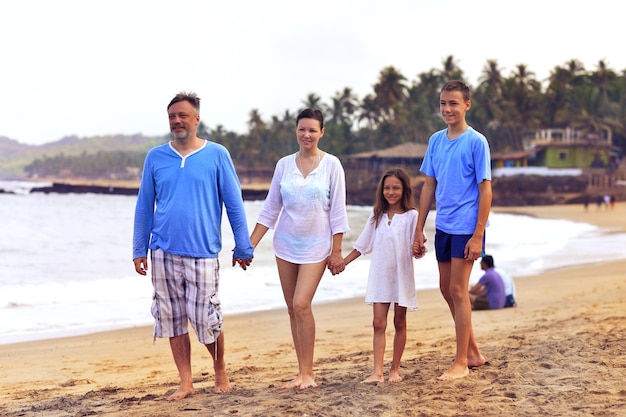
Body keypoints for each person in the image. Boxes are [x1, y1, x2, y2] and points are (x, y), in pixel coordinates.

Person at [132, 92, 253, 400]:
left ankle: (220, 368)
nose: (177, 121)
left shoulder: (217, 154)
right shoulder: (156, 157)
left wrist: (243, 245)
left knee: (207, 318)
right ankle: (185, 382)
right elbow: (144, 206)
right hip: (162, 251)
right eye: (172, 116)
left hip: (203, 252)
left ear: (196, 119)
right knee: (171, 317)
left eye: (183, 115)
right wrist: (138, 249)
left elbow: (234, 204)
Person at [248, 108, 349, 390]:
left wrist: (336, 251)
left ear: (321, 133)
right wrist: (249, 245)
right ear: (296, 130)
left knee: (301, 304)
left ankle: (309, 373)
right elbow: (271, 208)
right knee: (292, 309)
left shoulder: (332, 165)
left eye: (312, 130)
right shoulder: (283, 165)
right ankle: (300, 371)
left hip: (317, 246)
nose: (306, 135)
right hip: (285, 245)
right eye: (302, 129)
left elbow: (338, 211)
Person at [412, 80, 492, 381]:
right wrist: (419, 229)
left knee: (459, 290)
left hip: (467, 227)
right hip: (443, 226)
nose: (448, 109)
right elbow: (429, 184)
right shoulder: (435, 141)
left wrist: (478, 234)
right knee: (446, 289)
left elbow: (486, 190)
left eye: (454, 103)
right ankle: (473, 352)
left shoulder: (476, 141)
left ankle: (461, 362)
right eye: (444, 103)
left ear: (466, 105)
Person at [343, 167, 418, 383]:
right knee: (378, 322)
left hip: (402, 275)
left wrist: (419, 249)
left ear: (404, 190)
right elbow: (362, 245)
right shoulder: (376, 216)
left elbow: (419, 247)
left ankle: (395, 369)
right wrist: (343, 263)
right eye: (387, 188)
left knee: (400, 321)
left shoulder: (412, 216)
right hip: (380, 276)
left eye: (396, 188)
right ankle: (377, 371)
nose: (391, 192)